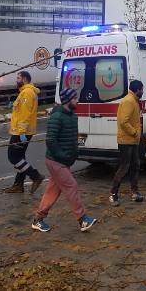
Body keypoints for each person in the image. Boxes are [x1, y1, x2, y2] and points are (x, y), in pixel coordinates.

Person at [31, 88, 97, 233]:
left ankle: (38, 219)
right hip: (56, 161)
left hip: (64, 161)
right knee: (71, 185)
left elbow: (72, 137)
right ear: (67, 100)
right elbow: (51, 140)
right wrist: (63, 156)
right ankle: (82, 219)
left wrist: (75, 152)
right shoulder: (57, 117)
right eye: (75, 98)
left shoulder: (73, 116)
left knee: (52, 191)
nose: (77, 101)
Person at [4, 71, 44, 194]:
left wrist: (21, 132)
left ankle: (35, 176)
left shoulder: (27, 92)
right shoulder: (25, 92)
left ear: (25, 79)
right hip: (22, 131)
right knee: (20, 157)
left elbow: (25, 114)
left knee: (13, 157)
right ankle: (18, 185)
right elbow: (21, 110)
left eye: (18, 78)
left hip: (21, 132)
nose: (16, 80)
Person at [109, 80, 144, 206]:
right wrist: (134, 132)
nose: (143, 91)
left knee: (135, 165)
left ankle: (135, 192)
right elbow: (123, 121)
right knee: (124, 167)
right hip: (126, 140)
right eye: (142, 89)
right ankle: (113, 194)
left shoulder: (134, 100)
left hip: (133, 140)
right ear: (137, 90)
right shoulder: (129, 101)